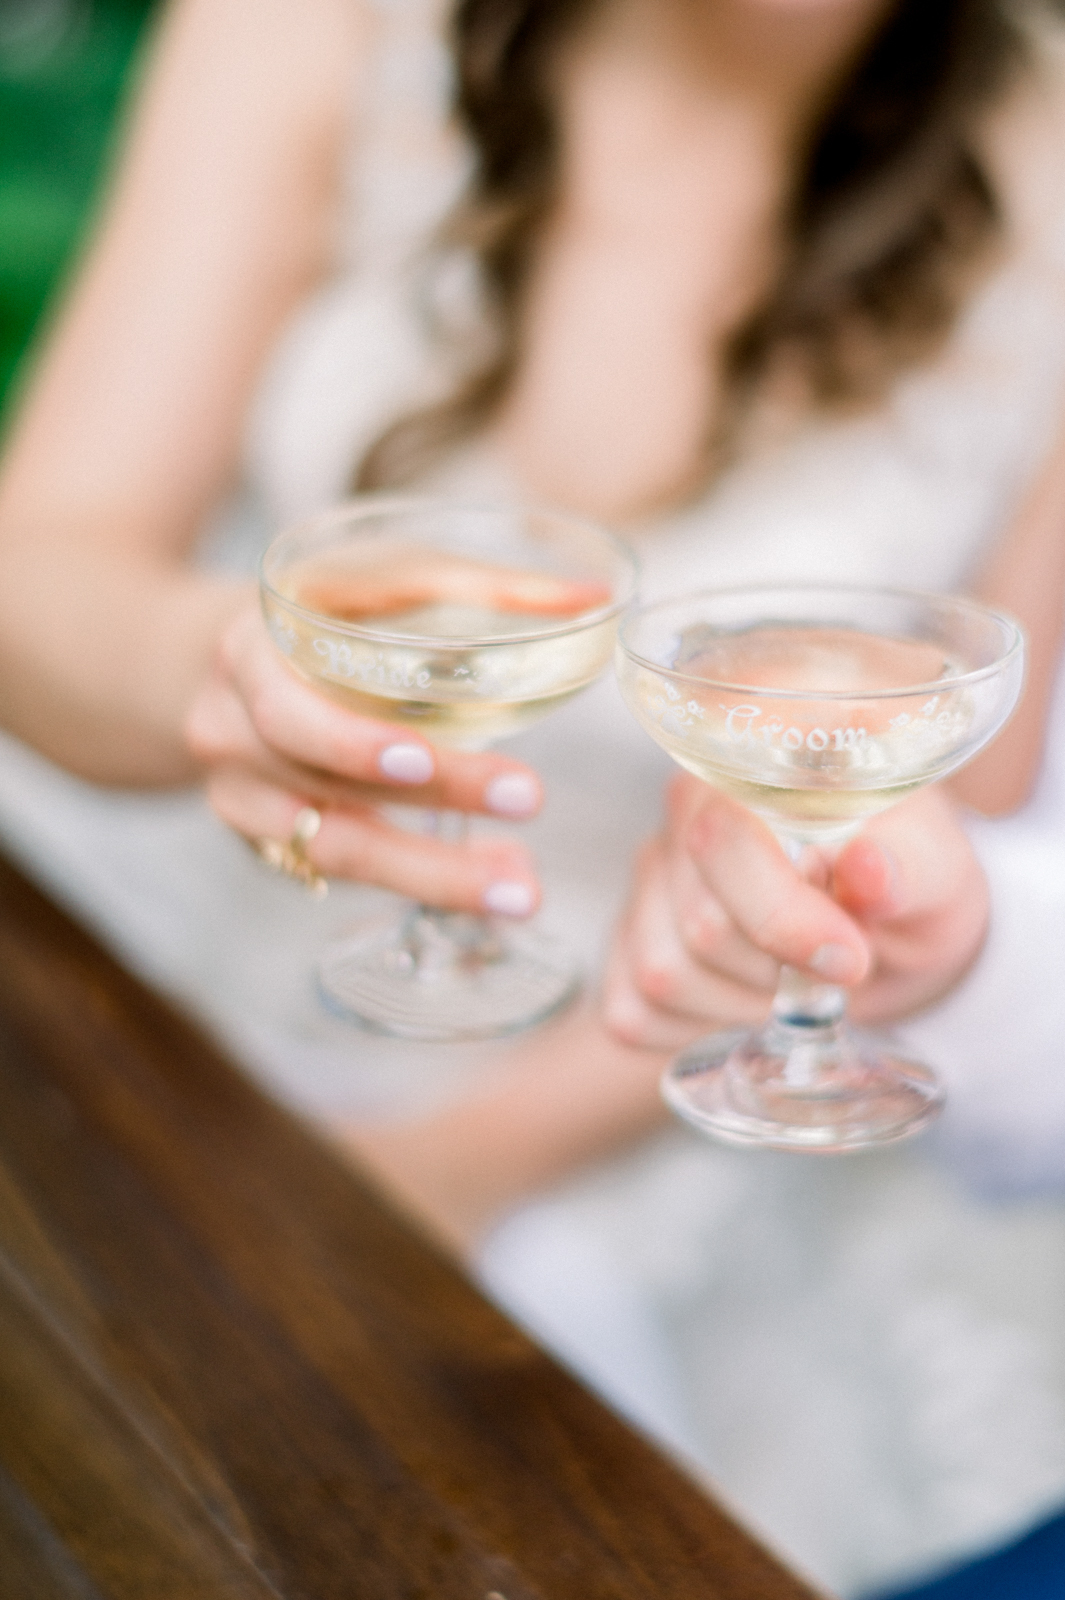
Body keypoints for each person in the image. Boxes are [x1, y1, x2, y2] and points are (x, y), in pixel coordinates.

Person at [0, 0, 1064, 1592]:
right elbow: (34, 571)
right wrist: (210, 670)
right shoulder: (311, 33)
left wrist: (457, 1164)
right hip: (178, 966)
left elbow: (936, 841)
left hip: (652, 1095)